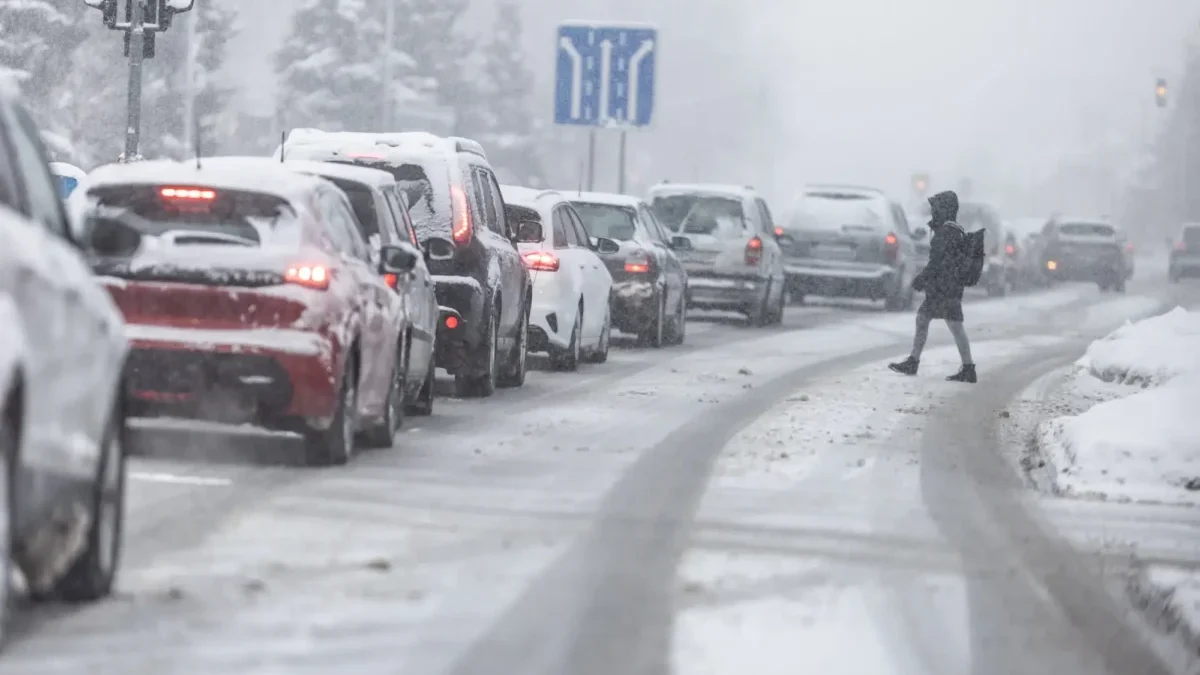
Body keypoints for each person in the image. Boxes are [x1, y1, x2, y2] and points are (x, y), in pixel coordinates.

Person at [888, 190, 976, 383]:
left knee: (937, 322)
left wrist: (923, 278)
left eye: (936, 208)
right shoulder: (953, 230)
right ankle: (965, 367)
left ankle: (917, 361)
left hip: (943, 288)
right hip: (949, 287)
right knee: (942, 323)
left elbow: (938, 262)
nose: (933, 212)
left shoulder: (946, 233)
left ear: (945, 209)